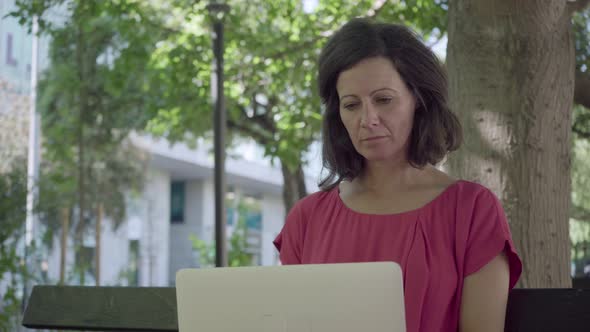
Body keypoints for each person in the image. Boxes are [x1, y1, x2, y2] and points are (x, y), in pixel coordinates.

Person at [273, 18, 522, 332]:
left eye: (383, 100)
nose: (368, 119)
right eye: (351, 105)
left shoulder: (472, 210)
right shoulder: (306, 219)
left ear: (418, 100)